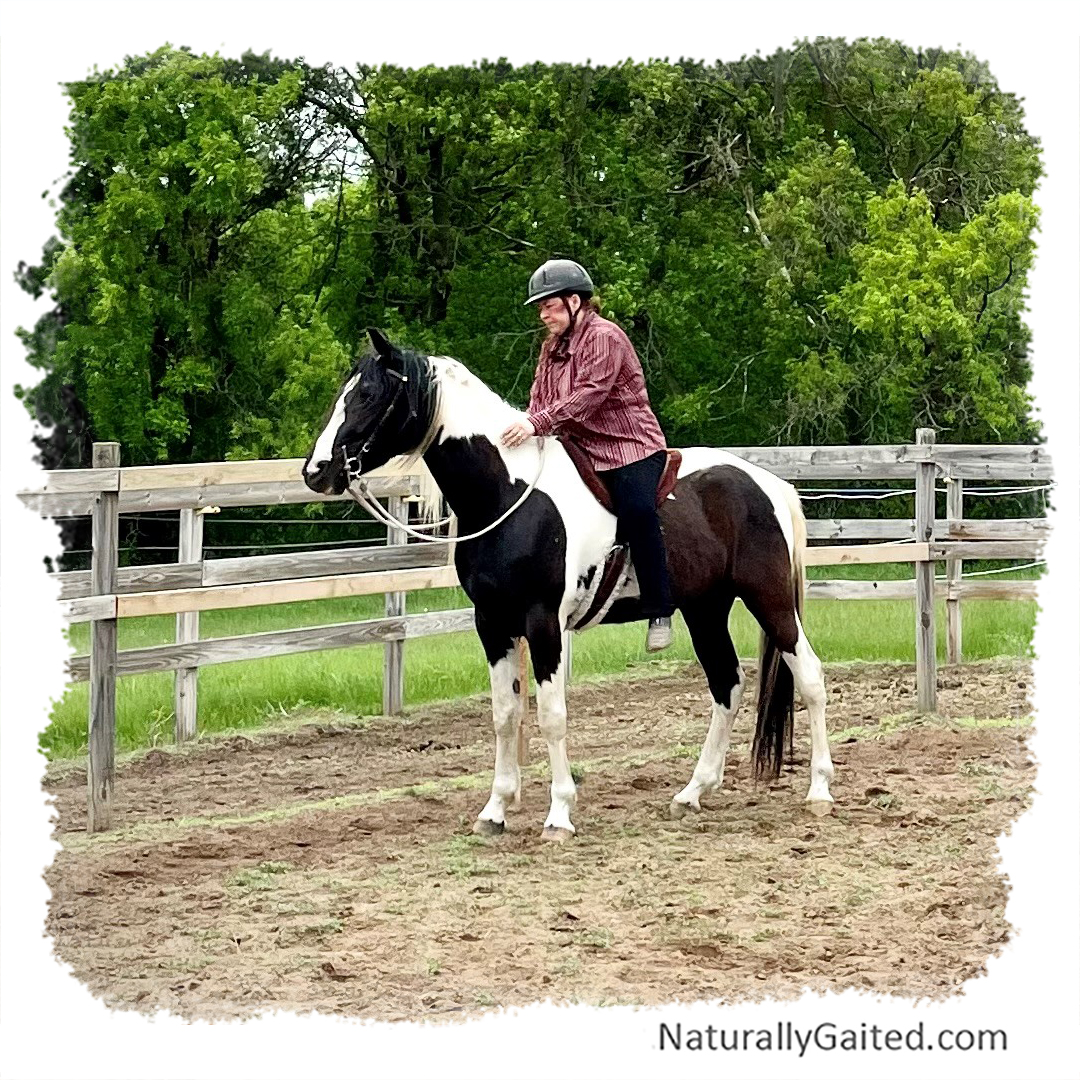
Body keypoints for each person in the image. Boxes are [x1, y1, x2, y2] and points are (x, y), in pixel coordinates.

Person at [501, 258, 675, 652]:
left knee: (636, 510)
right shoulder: (552, 348)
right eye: (541, 308)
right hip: (579, 448)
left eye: (549, 305)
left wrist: (537, 423)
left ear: (575, 301)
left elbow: (589, 396)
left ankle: (659, 607)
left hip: (628, 447)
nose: (543, 314)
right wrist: (526, 425)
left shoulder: (605, 337)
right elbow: (539, 398)